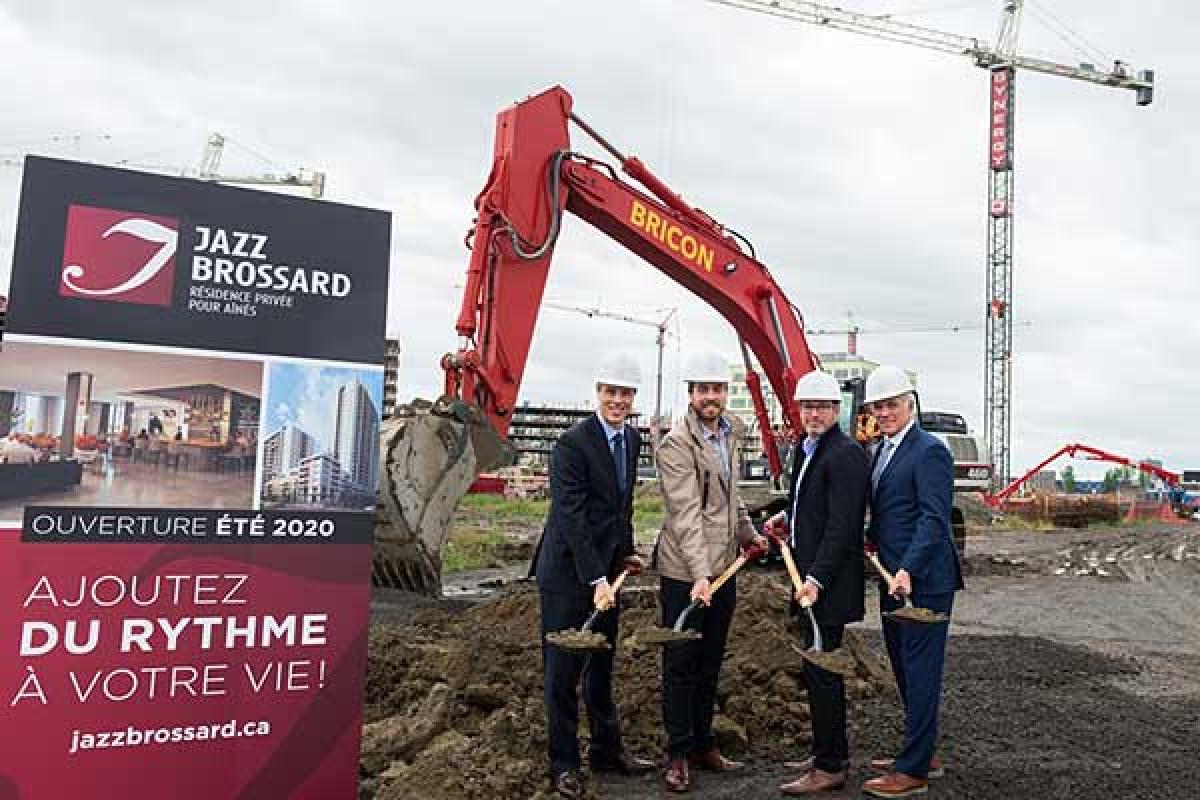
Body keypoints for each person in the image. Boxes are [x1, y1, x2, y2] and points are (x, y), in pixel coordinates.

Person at [530, 353, 655, 800]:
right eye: (610, 392)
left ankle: (606, 750)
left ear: (633, 397)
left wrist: (625, 555)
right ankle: (563, 764)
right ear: (597, 392)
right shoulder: (572, 445)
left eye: (625, 393)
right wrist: (595, 579)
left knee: (601, 663)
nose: (617, 400)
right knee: (562, 673)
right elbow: (572, 518)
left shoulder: (633, 440)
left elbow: (621, 508)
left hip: (605, 571)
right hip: (567, 575)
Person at [654, 352, 767, 793]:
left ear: (725, 392)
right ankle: (678, 753)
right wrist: (701, 575)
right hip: (686, 572)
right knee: (681, 662)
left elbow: (729, 497)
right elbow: (685, 515)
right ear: (691, 394)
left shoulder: (728, 435)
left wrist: (749, 534)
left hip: (722, 569)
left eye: (717, 389)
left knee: (710, 659)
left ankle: (703, 743)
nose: (711, 397)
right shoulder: (676, 445)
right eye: (703, 390)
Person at [859, 366, 964, 799]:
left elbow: (933, 518)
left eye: (891, 405)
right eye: (877, 406)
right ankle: (923, 750)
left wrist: (909, 569)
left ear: (910, 405)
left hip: (923, 580)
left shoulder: (929, 451)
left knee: (920, 670)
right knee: (903, 666)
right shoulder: (881, 450)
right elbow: (891, 510)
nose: (884, 413)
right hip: (892, 576)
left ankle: (914, 771)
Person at [768, 370, 869, 795]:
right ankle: (825, 751)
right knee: (815, 668)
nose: (813, 413)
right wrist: (786, 518)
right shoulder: (806, 449)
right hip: (809, 580)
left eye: (822, 407)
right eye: (807, 407)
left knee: (824, 671)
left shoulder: (844, 453)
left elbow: (843, 525)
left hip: (824, 585)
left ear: (836, 410)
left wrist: (816, 579)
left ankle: (831, 766)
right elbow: (811, 505)